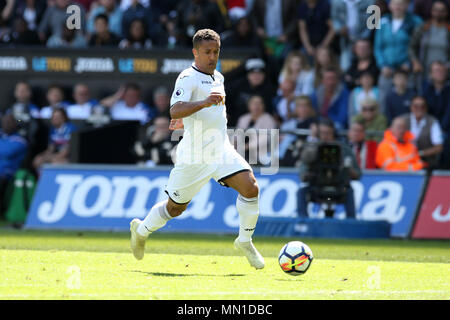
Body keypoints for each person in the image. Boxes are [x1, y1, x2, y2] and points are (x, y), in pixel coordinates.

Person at [129, 29, 265, 270]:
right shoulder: (187, 77)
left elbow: (210, 112)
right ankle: (141, 231)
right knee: (175, 208)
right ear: (195, 53)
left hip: (220, 148)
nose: (212, 57)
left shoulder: (219, 78)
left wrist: (202, 115)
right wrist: (201, 104)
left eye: (216, 52)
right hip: (194, 155)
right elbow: (174, 109)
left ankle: (245, 241)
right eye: (207, 52)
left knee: (251, 187)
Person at [297, 118, 361, 219]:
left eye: (328, 133)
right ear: (318, 134)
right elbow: (302, 174)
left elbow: (358, 174)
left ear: (333, 133)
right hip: (317, 187)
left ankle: (351, 221)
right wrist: (308, 172)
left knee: (349, 191)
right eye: (322, 133)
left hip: (339, 188)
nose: (325, 136)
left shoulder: (343, 149)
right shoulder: (311, 149)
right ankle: (303, 222)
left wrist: (347, 168)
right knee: (302, 192)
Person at [401, 96, 444, 169]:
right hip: (404, 162)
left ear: (426, 108)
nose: (419, 109)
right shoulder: (402, 120)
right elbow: (393, 139)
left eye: (422, 106)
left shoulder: (433, 122)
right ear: (411, 107)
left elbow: (439, 147)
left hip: (427, 164)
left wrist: (420, 153)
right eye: (416, 106)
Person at [409, 0, 449, 78]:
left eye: (442, 11)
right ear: (431, 11)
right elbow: (412, 47)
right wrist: (415, 62)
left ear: (446, 12)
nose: (438, 13)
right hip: (424, 70)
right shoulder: (423, 28)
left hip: (445, 72)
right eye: (436, 10)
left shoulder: (448, 30)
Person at [236, 95, 277, 164]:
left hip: (260, 156)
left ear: (263, 105)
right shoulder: (243, 118)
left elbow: (266, 139)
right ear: (249, 105)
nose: (256, 106)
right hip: (241, 154)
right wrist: (234, 143)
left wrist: (246, 146)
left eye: (259, 103)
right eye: (254, 103)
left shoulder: (268, 119)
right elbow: (236, 135)